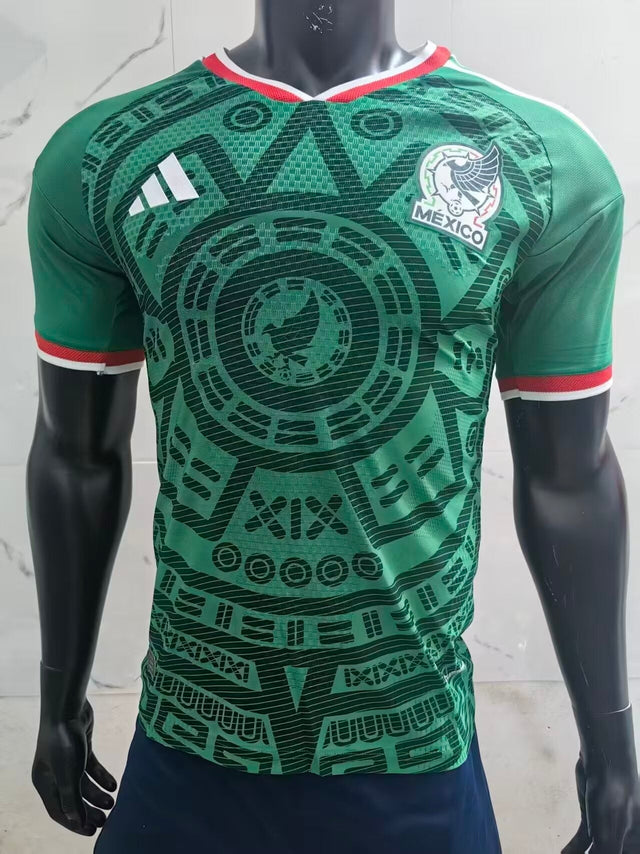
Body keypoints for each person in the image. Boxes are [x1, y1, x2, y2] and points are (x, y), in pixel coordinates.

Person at [26, 1, 640, 852]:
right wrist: (59, 701)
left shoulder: (540, 163)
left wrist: (611, 746)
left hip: (415, 753)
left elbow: (570, 479)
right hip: (189, 740)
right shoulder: (108, 156)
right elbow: (76, 456)